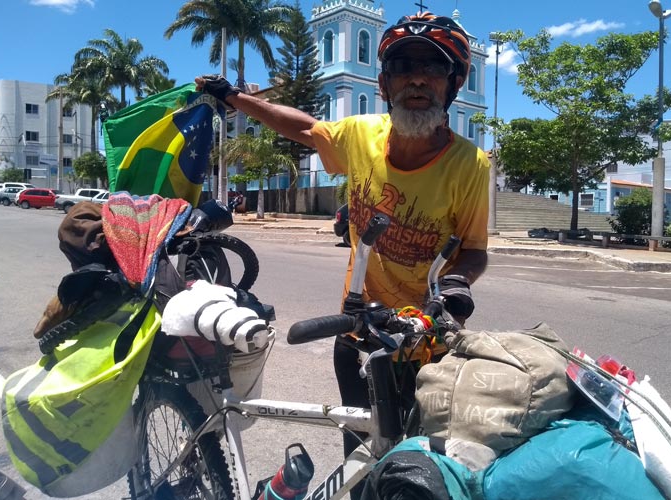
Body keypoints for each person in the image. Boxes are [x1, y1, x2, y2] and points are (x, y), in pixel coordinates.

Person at [197, 9, 489, 459]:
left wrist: (456, 284)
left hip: (427, 342)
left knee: (418, 463)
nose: (417, 80)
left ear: (452, 83)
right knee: (358, 456)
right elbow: (301, 126)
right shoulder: (359, 134)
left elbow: (473, 251)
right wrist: (236, 97)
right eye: (403, 68)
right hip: (358, 333)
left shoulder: (470, 165)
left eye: (432, 68)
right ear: (384, 84)